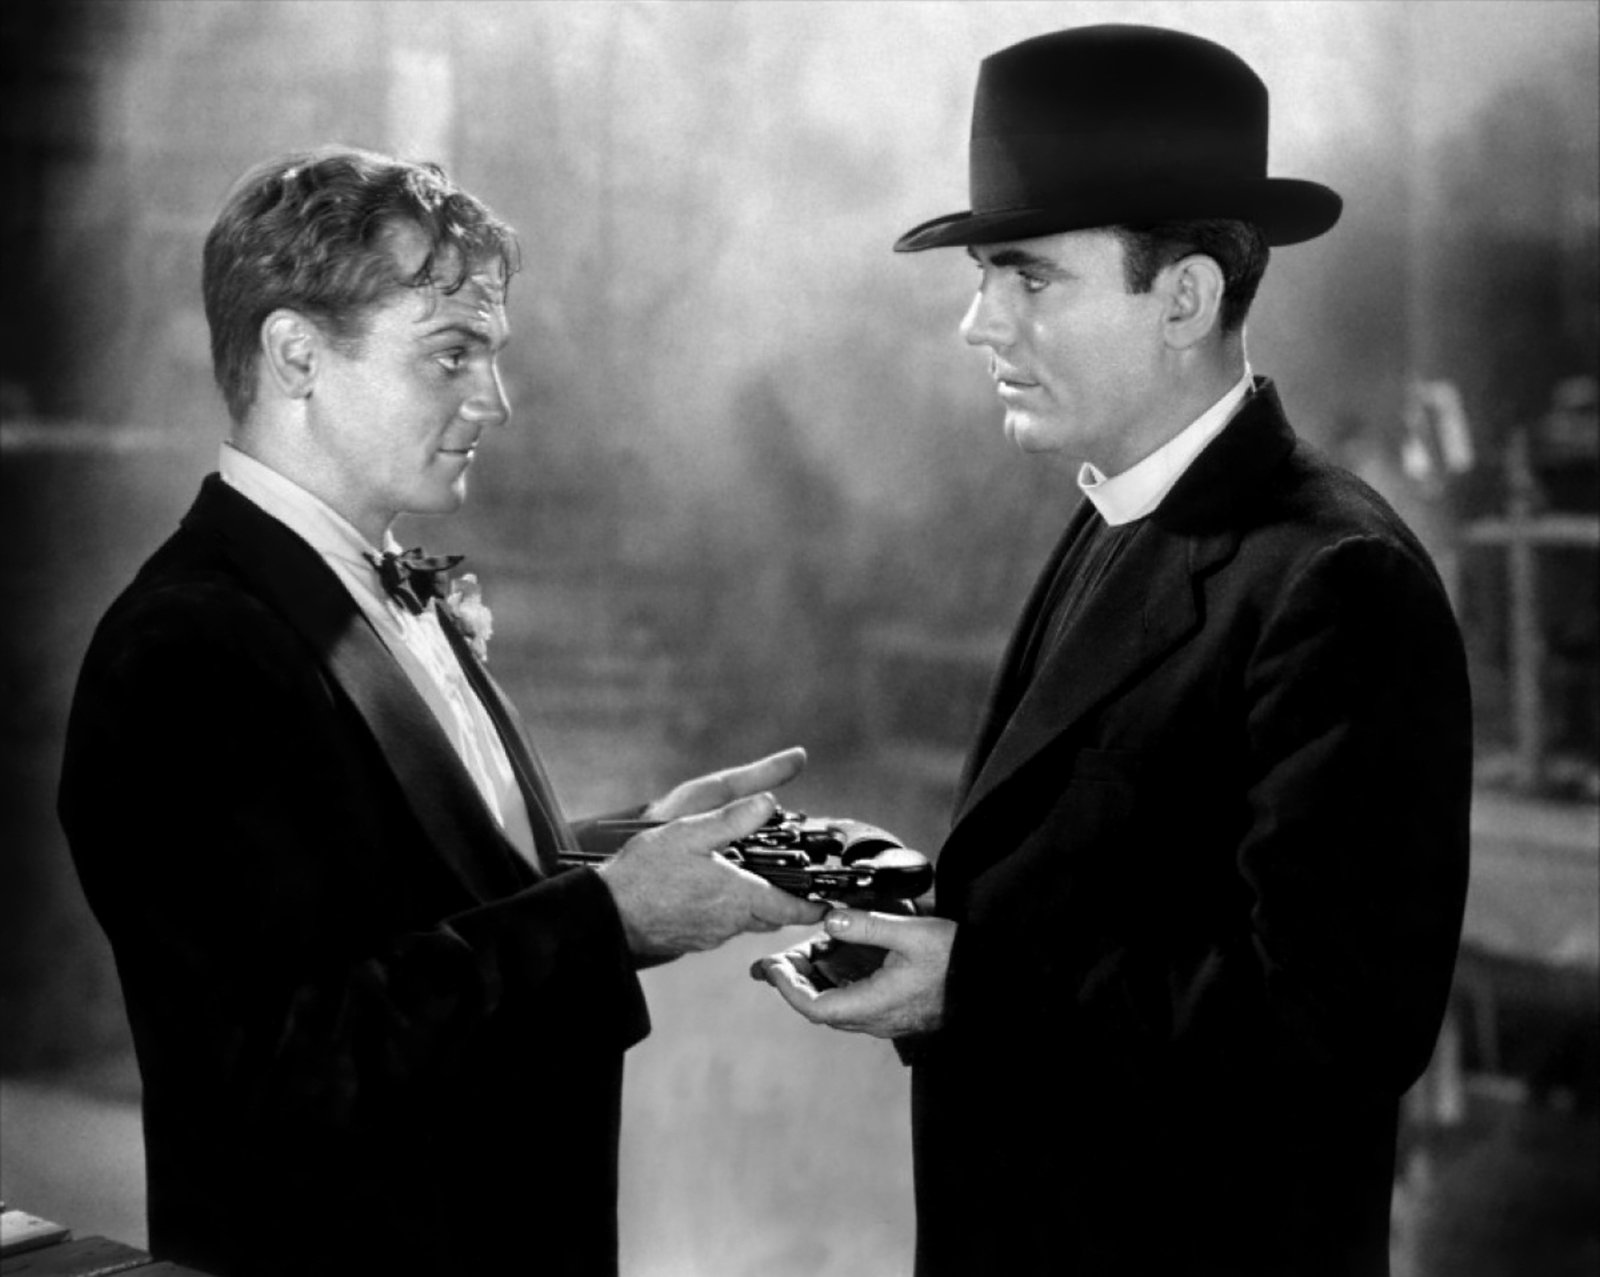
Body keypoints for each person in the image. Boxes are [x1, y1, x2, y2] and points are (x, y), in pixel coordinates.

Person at [757, 25, 1472, 1276]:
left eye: (1028, 278)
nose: (977, 323)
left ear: (1183, 299)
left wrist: (971, 984)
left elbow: (1334, 1030)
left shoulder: (1336, 581)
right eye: (983, 276)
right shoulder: (1122, 510)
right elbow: (1121, 879)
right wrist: (929, 902)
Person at [57, 146, 824, 1277]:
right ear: (296, 354)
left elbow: (404, 883)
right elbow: (276, 1064)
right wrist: (610, 913)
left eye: (492, 356)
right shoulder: (186, 650)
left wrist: (634, 848)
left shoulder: (360, 582)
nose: (494, 401)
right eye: (452, 353)